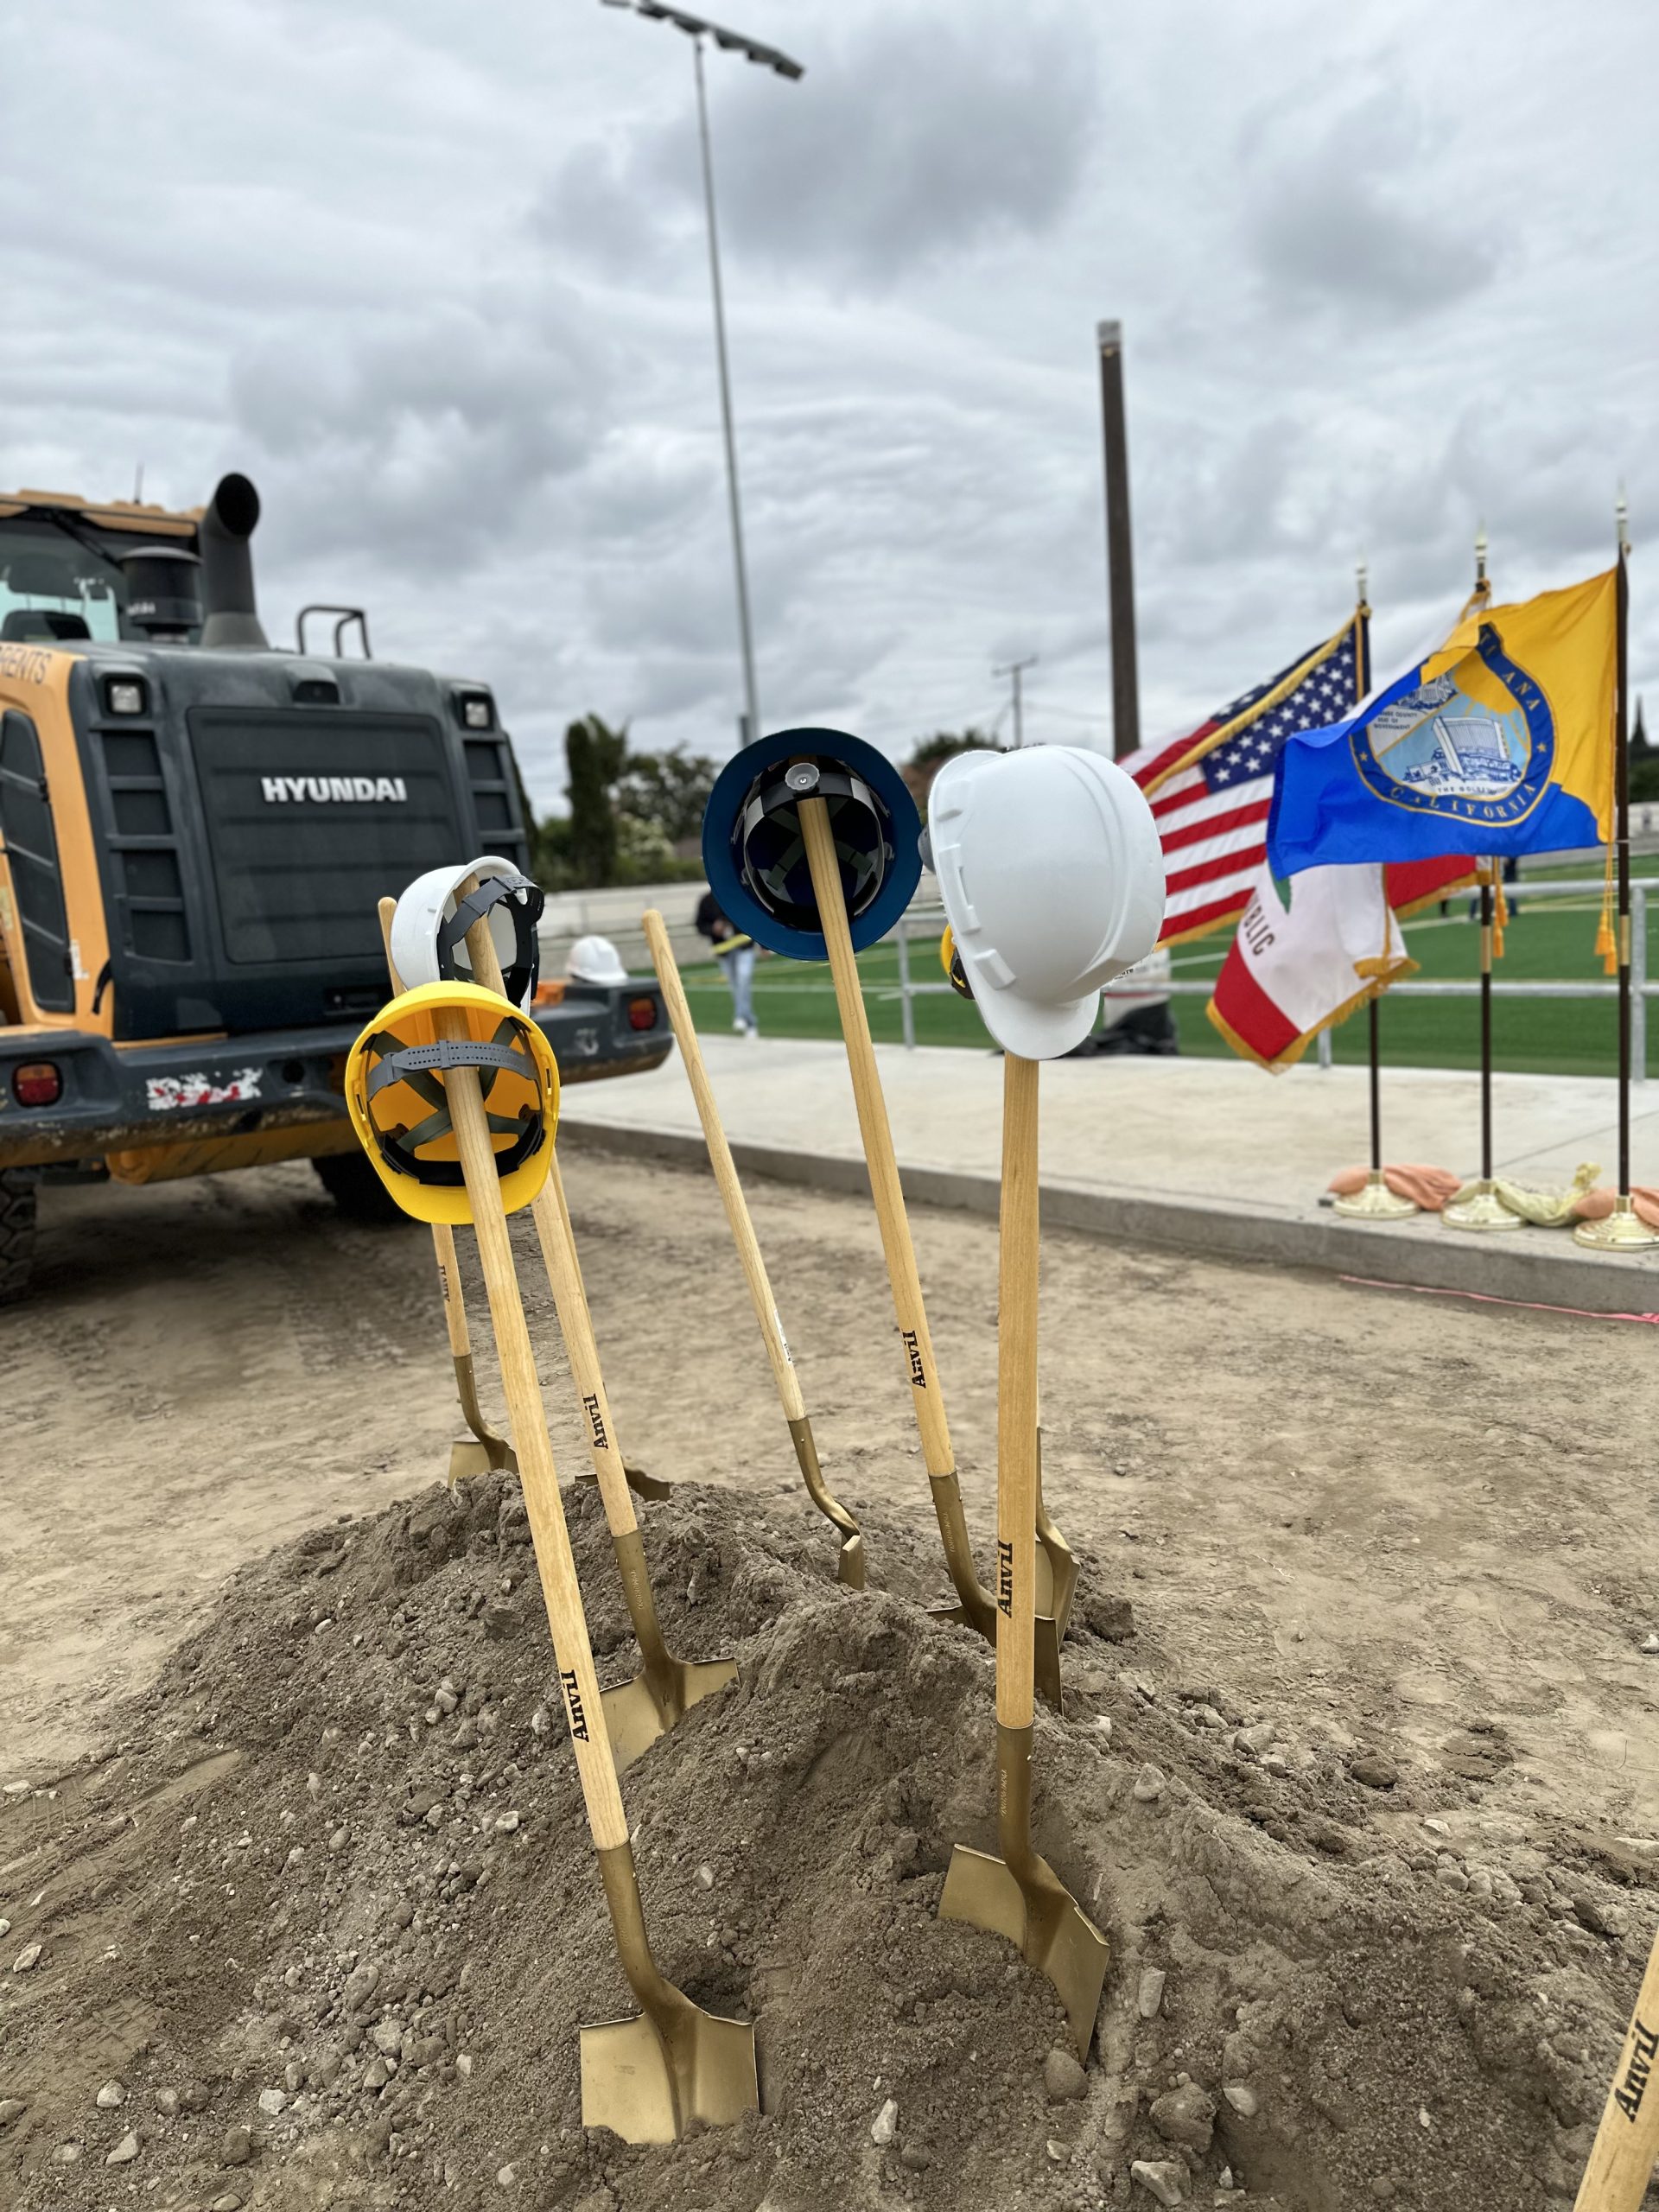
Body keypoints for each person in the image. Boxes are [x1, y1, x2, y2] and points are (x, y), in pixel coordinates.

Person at [696, 887, 758, 1036]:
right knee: (735, 985)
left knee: (744, 978)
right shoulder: (706, 901)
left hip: (744, 946)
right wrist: (713, 928)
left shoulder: (736, 893)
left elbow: (751, 917)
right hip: (723, 951)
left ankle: (740, 1016)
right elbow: (700, 925)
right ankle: (750, 1022)